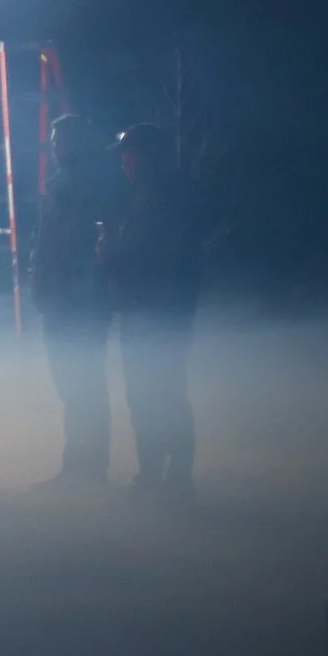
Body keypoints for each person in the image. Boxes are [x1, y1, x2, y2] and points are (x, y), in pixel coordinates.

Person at [102, 123, 203, 495]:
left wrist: (114, 256)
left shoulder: (166, 197)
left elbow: (161, 257)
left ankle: (173, 479)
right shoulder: (151, 195)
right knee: (147, 394)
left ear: (144, 156)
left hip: (157, 313)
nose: (122, 162)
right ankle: (154, 476)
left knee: (163, 394)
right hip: (146, 310)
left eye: (126, 154)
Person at [33, 114, 116, 486]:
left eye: (61, 139)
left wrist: (69, 292)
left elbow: (80, 248)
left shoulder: (87, 186)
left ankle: (89, 468)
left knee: (85, 385)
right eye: (54, 140)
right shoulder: (59, 187)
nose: (56, 146)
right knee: (72, 386)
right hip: (60, 301)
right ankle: (78, 466)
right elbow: (48, 247)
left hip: (80, 304)